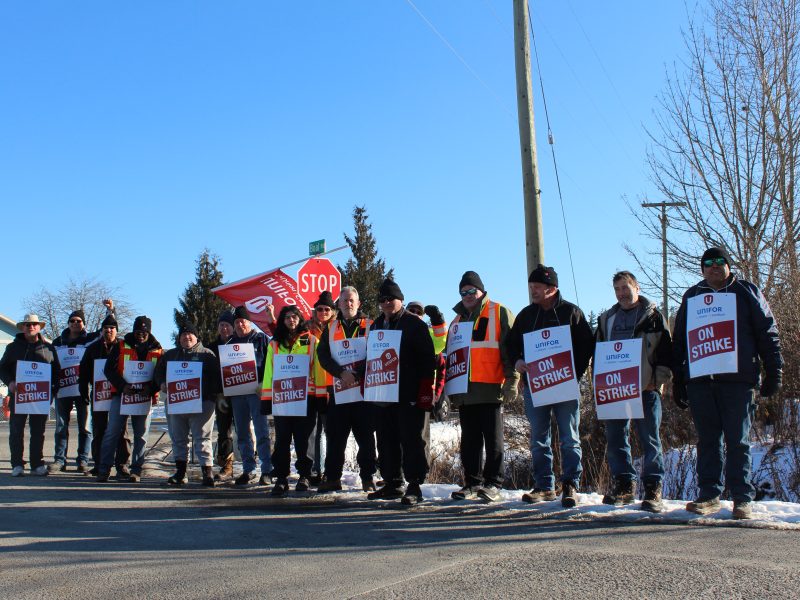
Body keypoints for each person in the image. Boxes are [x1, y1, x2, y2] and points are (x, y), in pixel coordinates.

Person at [673, 247, 783, 520]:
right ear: (702, 269)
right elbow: (679, 341)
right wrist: (679, 379)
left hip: (738, 381)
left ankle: (741, 498)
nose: (714, 266)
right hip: (701, 382)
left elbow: (767, 331)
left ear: (728, 266)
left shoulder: (745, 292)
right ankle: (709, 495)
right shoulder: (693, 296)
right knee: (707, 440)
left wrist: (774, 370)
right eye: (708, 263)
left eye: (719, 261)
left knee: (738, 441)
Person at [505, 264, 594, 508]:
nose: (533, 291)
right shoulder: (526, 315)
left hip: (564, 386)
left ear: (552, 288)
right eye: (531, 287)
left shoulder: (571, 312)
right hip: (535, 386)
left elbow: (587, 346)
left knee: (569, 438)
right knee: (538, 439)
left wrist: (572, 374)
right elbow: (511, 344)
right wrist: (518, 361)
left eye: (538, 287)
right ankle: (544, 485)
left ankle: (571, 485)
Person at [595, 271, 672, 512]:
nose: (622, 294)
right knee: (616, 438)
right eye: (617, 289)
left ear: (636, 287)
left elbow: (667, 351)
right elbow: (598, 352)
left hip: (646, 388)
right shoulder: (607, 319)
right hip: (615, 388)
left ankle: (652, 488)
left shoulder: (653, 316)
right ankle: (624, 486)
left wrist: (657, 381)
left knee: (650, 439)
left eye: (625, 288)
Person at [447, 271, 519, 502]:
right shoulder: (457, 321)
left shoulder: (498, 312)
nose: (468, 295)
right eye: (463, 292)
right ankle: (471, 482)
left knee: (493, 439)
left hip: (491, 386)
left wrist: (512, 380)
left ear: (481, 291)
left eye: (471, 291)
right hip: (466, 392)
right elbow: (452, 357)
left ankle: (493, 483)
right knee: (469, 441)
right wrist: (452, 390)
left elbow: (512, 349)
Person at [369, 278, 437, 505]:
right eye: (383, 299)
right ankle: (392, 482)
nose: (387, 303)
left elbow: (429, 358)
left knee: (412, 439)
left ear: (401, 300)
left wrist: (426, 388)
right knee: (386, 440)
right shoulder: (376, 325)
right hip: (383, 393)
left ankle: (414, 486)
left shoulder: (414, 324)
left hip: (408, 392)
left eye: (391, 299)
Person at [316, 286, 377, 493]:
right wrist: (341, 373)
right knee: (335, 439)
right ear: (338, 305)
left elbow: (376, 352)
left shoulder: (371, 325)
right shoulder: (331, 328)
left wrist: (356, 373)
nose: (348, 304)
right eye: (344, 301)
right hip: (339, 392)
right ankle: (333, 478)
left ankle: (368, 478)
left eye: (352, 300)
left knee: (366, 439)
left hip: (364, 393)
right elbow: (322, 355)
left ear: (358, 303)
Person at [50, 299, 115, 473]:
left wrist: (110, 311)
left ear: (83, 324)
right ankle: (59, 460)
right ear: (68, 323)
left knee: (85, 427)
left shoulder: (91, 339)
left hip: (83, 389)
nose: (75, 323)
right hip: (63, 389)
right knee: (61, 426)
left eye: (79, 321)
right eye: (72, 321)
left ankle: (83, 459)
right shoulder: (57, 342)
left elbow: (108, 330)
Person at [154, 322, 222, 487]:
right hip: (176, 402)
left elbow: (217, 379)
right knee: (178, 438)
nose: (186, 337)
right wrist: (162, 383)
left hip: (202, 404)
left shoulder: (207, 355)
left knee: (202, 438)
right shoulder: (170, 355)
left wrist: (209, 395)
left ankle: (207, 473)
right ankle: (180, 472)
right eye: (183, 335)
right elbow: (158, 372)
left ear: (196, 336)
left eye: (190, 334)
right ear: (179, 338)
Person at [97, 315, 163, 483]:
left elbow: (160, 375)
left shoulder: (158, 349)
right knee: (112, 432)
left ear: (148, 331)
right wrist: (122, 386)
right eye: (137, 331)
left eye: (143, 331)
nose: (140, 334)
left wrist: (151, 388)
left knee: (141, 435)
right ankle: (104, 469)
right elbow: (108, 369)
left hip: (144, 397)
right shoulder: (121, 346)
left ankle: (136, 470)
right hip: (122, 395)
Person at [261, 305, 318, 497]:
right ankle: (282, 478)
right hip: (282, 398)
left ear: (300, 319)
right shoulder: (274, 344)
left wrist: (320, 397)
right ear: (283, 321)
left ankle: (304, 475)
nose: (291, 320)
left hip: (307, 398)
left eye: (294, 317)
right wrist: (267, 399)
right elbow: (269, 371)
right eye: (287, 317)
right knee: (283, 440)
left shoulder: (311, 341)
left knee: (305, 439)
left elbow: (318, 370)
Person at [0, 314, 59, 476]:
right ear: (23, 328)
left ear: (39, 327)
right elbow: (2, 368)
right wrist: (10, 382)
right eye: (27, 324)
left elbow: (56, 373)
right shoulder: (13, 348)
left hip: (40, 398)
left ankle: (37, 464)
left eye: (34, 324)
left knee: (38, 431)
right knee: (16, 430)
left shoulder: (49, 349)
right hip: (19, 396)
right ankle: (17, 465)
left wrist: (52, 391)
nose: (31, 327)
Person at [78, 314, 131, 478]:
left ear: (116, 330)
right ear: (102, 330)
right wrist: (83, 391)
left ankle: (122, 465)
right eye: (106, 328)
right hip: (99, 394)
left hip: (120, 394)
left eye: (112, 328)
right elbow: (84, 370)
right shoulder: (93, 348)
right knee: (99, 430)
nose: (109, 330)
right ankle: (99, 464)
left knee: (122, 431)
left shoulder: (124, 347)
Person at [229, 305, 272, 485]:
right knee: (242, 433)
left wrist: (264, 383)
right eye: (237, 322)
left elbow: (271, 363)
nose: (240, 325)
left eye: (243, 321)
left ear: (249, 322)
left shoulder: (261, 339)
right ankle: (248, 469)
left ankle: (266, 470)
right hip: (238, 394)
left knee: (262, 431)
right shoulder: (230, 344)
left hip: (257, 393)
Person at [306, 291, 337, 485]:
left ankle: (330, 470)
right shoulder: (308, 329)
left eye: (327, 309)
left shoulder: (337, 327)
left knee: (331, 431)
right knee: (314, 432)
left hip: (332, 385)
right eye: (320, 309)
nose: (323, 312)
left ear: (332, 311)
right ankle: (317, 469)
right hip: (311, 386)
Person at [207, 310, 236, 481]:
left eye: (227, 325)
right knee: (224, 431)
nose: (224, 328)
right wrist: (215, 393)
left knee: (245, 430)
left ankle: (251, 464)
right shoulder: (211, 348)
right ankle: (227, 465)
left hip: (240, 393)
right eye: (222, 325)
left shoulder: (241, 345)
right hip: (221, 396)